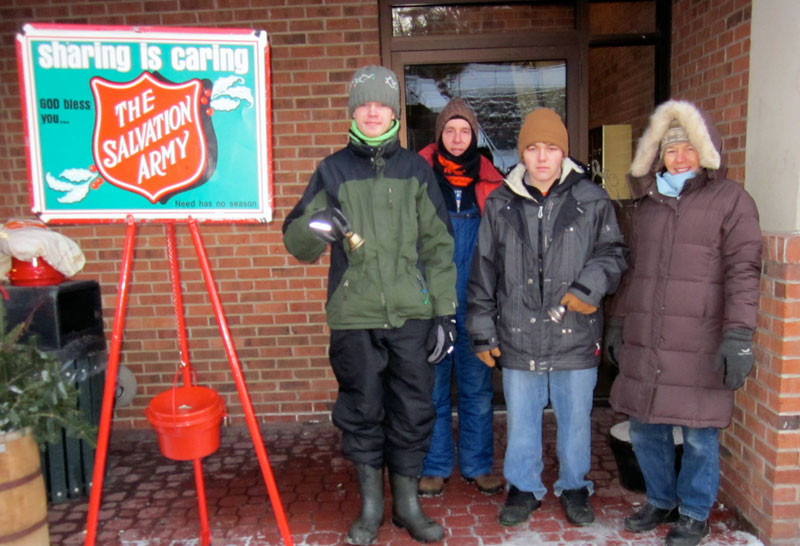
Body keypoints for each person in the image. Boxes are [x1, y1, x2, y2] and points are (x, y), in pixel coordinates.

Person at [282, 65, 458, 545]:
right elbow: (297, 245)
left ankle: (406, 505)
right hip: (354, 315)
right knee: (362, 409)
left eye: (382, 103)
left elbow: (439, 248)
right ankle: (371, 508)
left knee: (413, 409)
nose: (374, 111)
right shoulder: (332, 170)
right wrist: (318, 220)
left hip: (411, 317)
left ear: (393, 110)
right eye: (365, 103)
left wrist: (444, 313)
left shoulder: (416, 170)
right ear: (353, 111)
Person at [605, 99, 761, 546]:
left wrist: (739, 335)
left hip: (700, 341)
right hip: (649, 339)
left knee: (697, 433)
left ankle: (694, 512)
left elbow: (744, 271)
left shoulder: (732, 201)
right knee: (644, 424)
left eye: (689, 148)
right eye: (672, 150)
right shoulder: (649, 205)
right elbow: (636, 272)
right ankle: (661, 499)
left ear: (705, 150)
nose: (681, 157)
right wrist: (618, 322)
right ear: (660, 156)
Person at [467, 108, 627, 527]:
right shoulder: (501, 203)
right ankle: (523, 487)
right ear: (522, 154)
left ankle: (575, 485)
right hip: (519, 334)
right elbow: (483, 270)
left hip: (574, 332)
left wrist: (588, 289)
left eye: (551, 148)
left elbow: (613, 254)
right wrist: (483, 333)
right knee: (522, 420)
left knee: (576, 419)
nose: (542, 157)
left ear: (563, 153)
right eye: (533, 148)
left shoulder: (591, 199)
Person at [416, 98, 504, 497]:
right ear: (439, 135)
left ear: (474, 136)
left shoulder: (490, 180)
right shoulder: (418, 175)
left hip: (477, 301)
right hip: (432, 302)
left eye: (464, 131)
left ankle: (477, 463)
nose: (456, 138)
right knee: (432, 389)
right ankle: (434, 465)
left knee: (477, 387)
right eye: (449, 130)